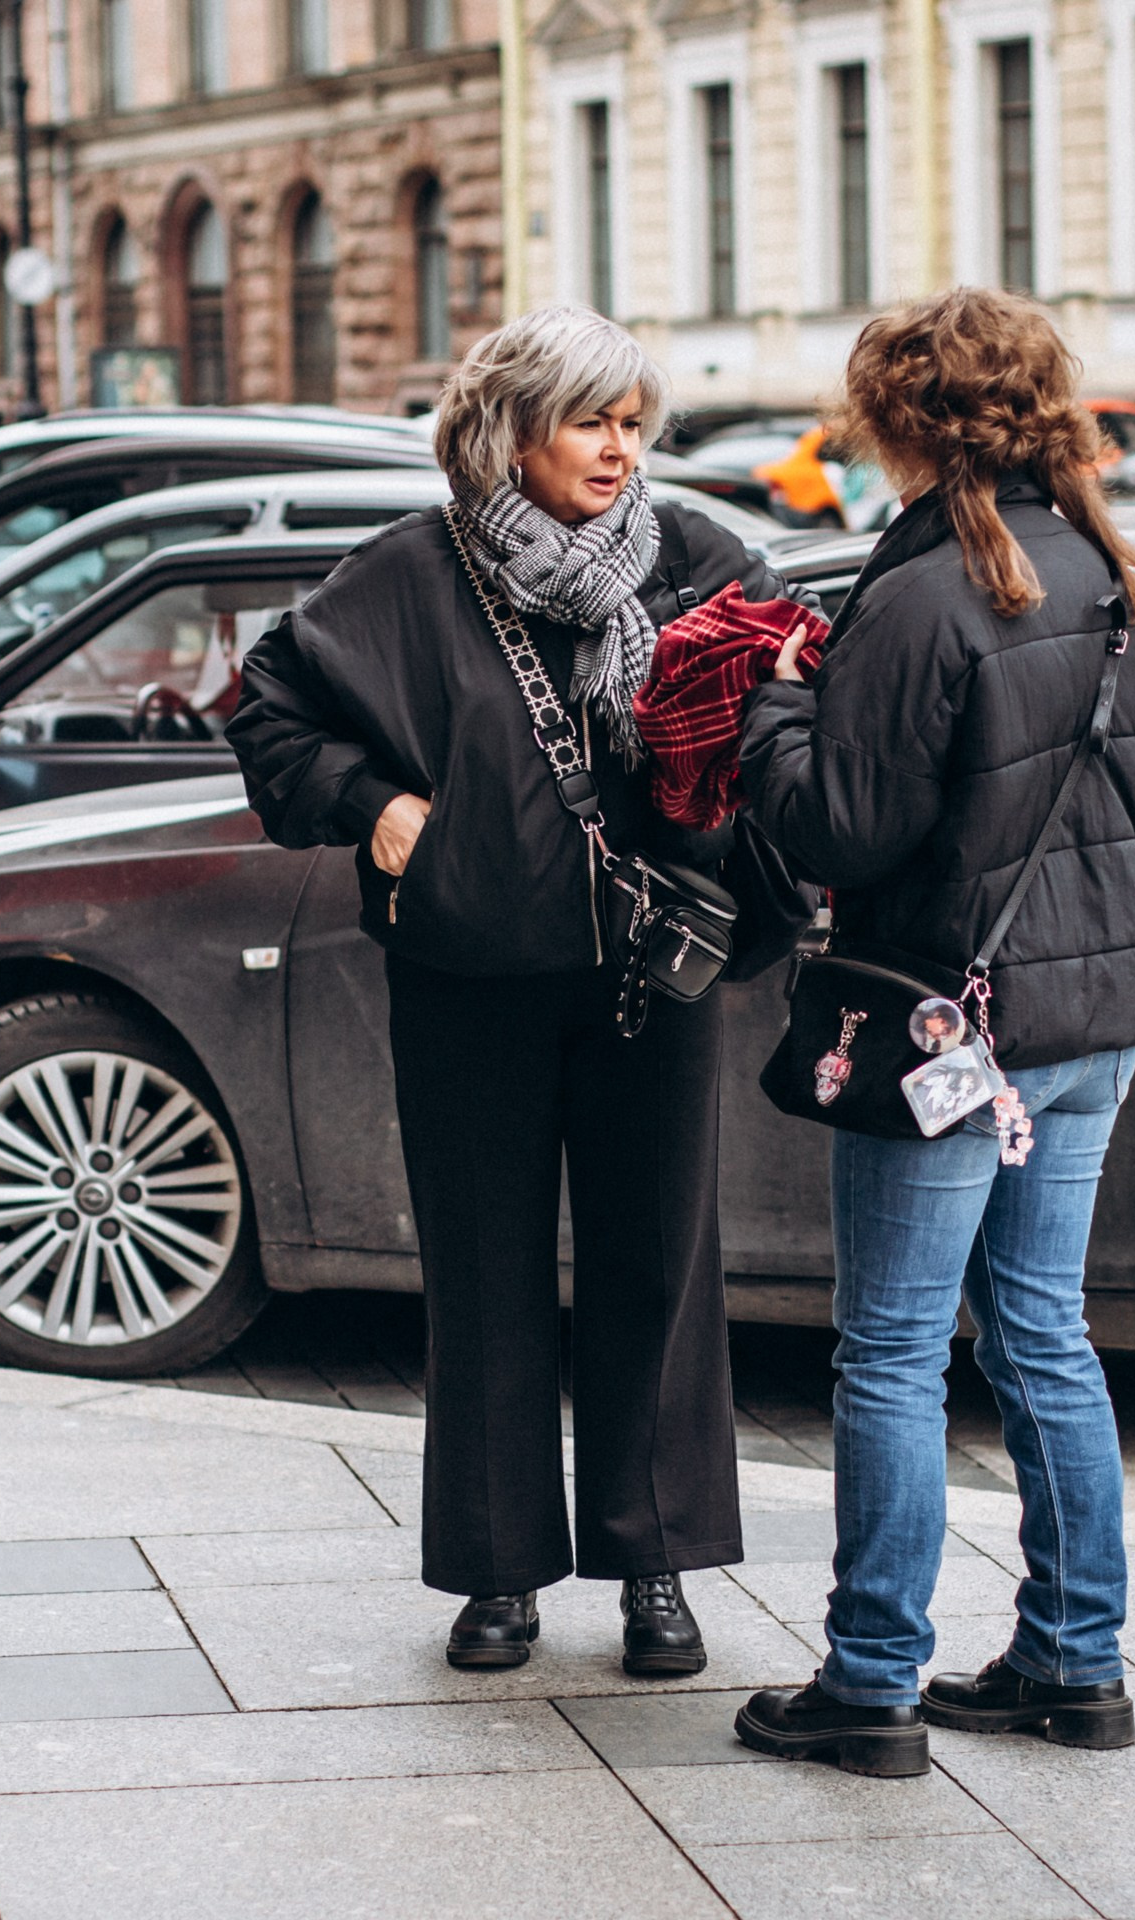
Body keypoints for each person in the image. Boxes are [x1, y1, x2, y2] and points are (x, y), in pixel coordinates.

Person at [228, 306, 801, 1677]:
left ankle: (654, 1565)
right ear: (509, 430)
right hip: (468, 977)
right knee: (483, 1272)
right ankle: (498, 1572)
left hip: (653, 979)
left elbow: (793, 712)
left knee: (655, 1266)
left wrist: (745, 755)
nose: (618, 448)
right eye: (589, 420)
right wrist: (373, 809)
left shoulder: (699, 564)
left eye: (631, 421)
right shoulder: (410, 576)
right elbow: (266, 709)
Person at [731, 287, 1135, 1776]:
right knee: (1045, 1331)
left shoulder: (923, 597)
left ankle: (872, 1683)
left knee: (895, 1350)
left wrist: (774, 714)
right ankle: (1075, 1660)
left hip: (947, 1026)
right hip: (1092, 1010)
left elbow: (837, 828)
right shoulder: (1108, 569)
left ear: (896, 419)